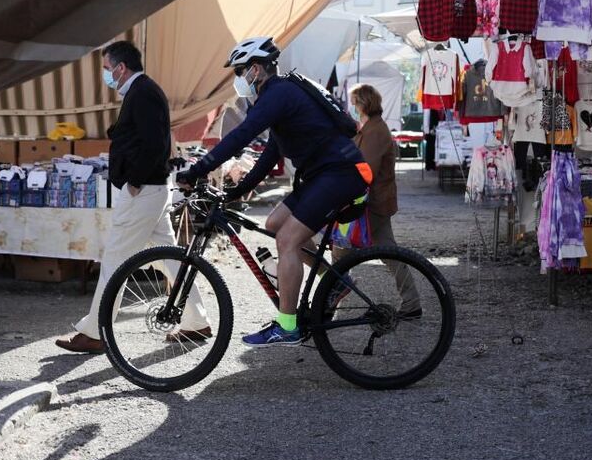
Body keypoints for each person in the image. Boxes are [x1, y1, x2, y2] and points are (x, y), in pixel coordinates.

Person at [177, 37, 371, 347]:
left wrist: (198, 170)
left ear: (255, 69)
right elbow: (271, 153)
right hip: (322, 175)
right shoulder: (279, 95)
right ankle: (336, 282)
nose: (238, 80)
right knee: (273, 224)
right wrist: (240, 189)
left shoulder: (278, 94)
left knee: (287, 240)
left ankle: (287, 326)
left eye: (239, 72)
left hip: (340, 174)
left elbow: (241, 136)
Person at [56, 41, 209, 354]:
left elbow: (155, 143)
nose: (106, 76)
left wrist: (135, 181)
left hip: (143, 191)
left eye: (106, 69)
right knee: (170, 258)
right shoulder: (143, 92)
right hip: (149, 190)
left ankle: (96, 331)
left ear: (120, 68)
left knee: (116, 259)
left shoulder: (143, 93)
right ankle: (196, 321)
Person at [333, 84, 421, 317]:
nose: (352, 106)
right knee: (380, 253)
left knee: (345, 250)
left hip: (373, 203)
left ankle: (330, 299)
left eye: (354, 102)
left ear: (363, 103)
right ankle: (412, 304)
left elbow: (365, 170)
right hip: (374, 201)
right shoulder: (371, 128)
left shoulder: (375, 131)